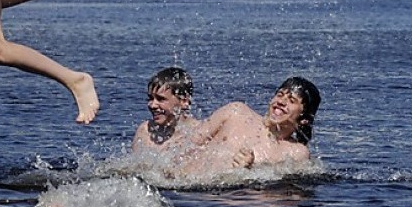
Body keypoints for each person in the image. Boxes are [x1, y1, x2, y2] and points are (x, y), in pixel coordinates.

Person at [180, 76, 321, 173]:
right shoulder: (236, 111)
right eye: (279, 95)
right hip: (183, 191)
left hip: (225, 205)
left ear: (304, 119)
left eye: (291, 100)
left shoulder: (295, 152)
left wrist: (251, 169)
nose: (281, 102)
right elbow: (186, 145)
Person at [131, 67, 200, 153]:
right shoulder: (145, 131)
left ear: (184, 101)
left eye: (161, 99)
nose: (153, 105)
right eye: (151, 98)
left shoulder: (199, 133)